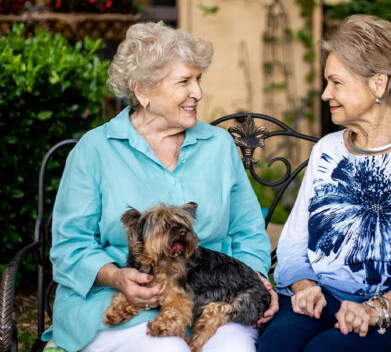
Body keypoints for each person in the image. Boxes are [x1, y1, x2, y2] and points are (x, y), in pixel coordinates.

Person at [41, 21, 278, 352]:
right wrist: (115, 276)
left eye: (198, 80)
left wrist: (254, 279)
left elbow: (247, 230)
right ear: (143, 91)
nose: (198, 92)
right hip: (116, 303)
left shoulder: (218, 145)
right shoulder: (95, 151)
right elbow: (69, 246)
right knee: (167, 349)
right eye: (184, 82)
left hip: (210, 299)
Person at [257, 14, 391, 352]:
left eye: (336, 82)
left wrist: (375, 309)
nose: (325, 94)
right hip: (324, 297)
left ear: (378, 83)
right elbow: (294, 243)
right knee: (275, 344)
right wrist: (305, 286)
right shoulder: (327, 150)